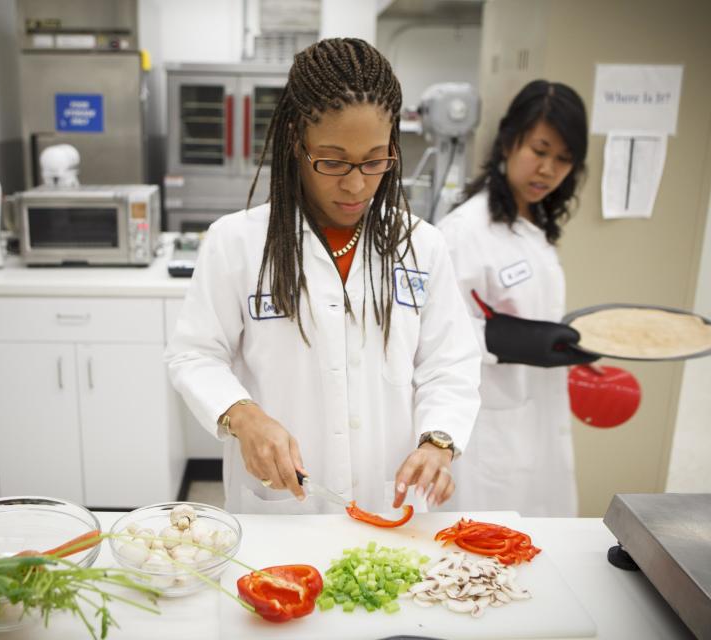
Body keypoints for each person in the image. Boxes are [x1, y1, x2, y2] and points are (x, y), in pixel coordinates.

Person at [165, 38, 481, 515]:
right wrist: (243, 417)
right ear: (297, 142)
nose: (356, 184)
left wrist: (437, 442)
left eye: (375, 161)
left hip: (389, 504)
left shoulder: (422, 245)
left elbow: (449, 364)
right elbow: (195, 354)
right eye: (332, 161)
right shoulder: (237, 243)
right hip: (282, 506)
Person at [436, 80, 597, 517]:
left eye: (563, 159)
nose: (548, 169)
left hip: (538, 417)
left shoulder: (536, 224)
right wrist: (508, 340)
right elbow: (432, 336)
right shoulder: (465, 232)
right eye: (539, 150)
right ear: (509, 140)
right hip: (490, 430)